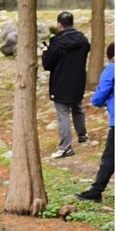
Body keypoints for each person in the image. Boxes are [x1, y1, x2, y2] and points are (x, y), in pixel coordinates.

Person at [42, 11, 90, 158]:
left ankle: (66, 147)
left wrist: (45, 51)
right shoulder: (82, 40)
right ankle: (82, 134)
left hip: (61, 84)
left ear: (59, 25)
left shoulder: (56, 43)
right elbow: (86, 50)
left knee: (63, 114)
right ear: (72, 23)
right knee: (78, 107)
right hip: (78, 81)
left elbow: (48, 64)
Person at [77, 42, 114, 202]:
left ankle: (96, 191)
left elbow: (100, 95)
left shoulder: (112, 69)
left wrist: (99, 102)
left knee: (110, 158)